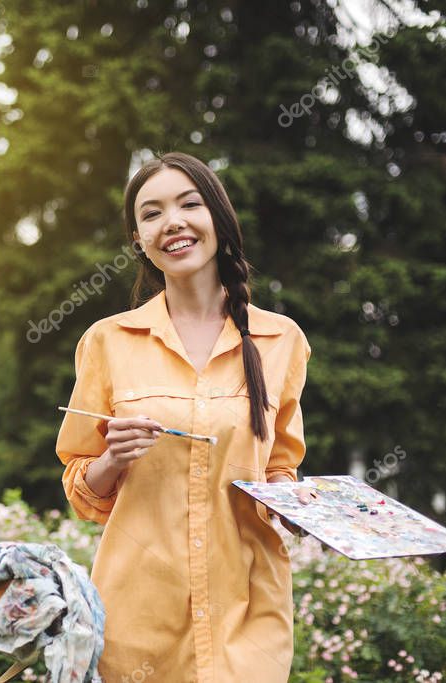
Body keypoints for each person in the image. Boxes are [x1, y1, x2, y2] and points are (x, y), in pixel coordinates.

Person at [56, 151, 312, 682]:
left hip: (248, 608)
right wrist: (112, 458)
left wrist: (300, 504)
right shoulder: (107, 342)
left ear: (218, 217)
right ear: (139, 241)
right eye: (151, 213)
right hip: (138, 611)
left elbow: (281, 470)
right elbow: (82, 489)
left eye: (189, 203)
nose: (171, 221)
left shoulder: (281, 340)